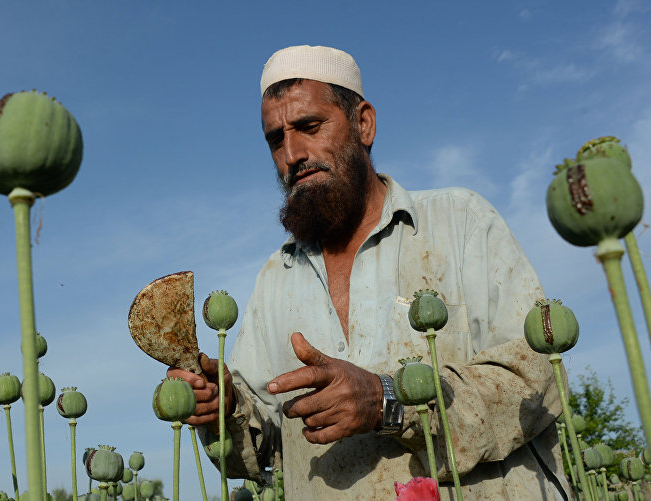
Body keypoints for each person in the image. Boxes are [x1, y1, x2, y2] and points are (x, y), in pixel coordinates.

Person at [168, 45, 568, 500]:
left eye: (309, 127)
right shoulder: (275, 277)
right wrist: (225, 408)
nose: (292, 154)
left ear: (364, 124)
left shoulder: (460, 222)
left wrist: (388, 400)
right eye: (276, 139)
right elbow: (263, 453)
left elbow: (537, 380)